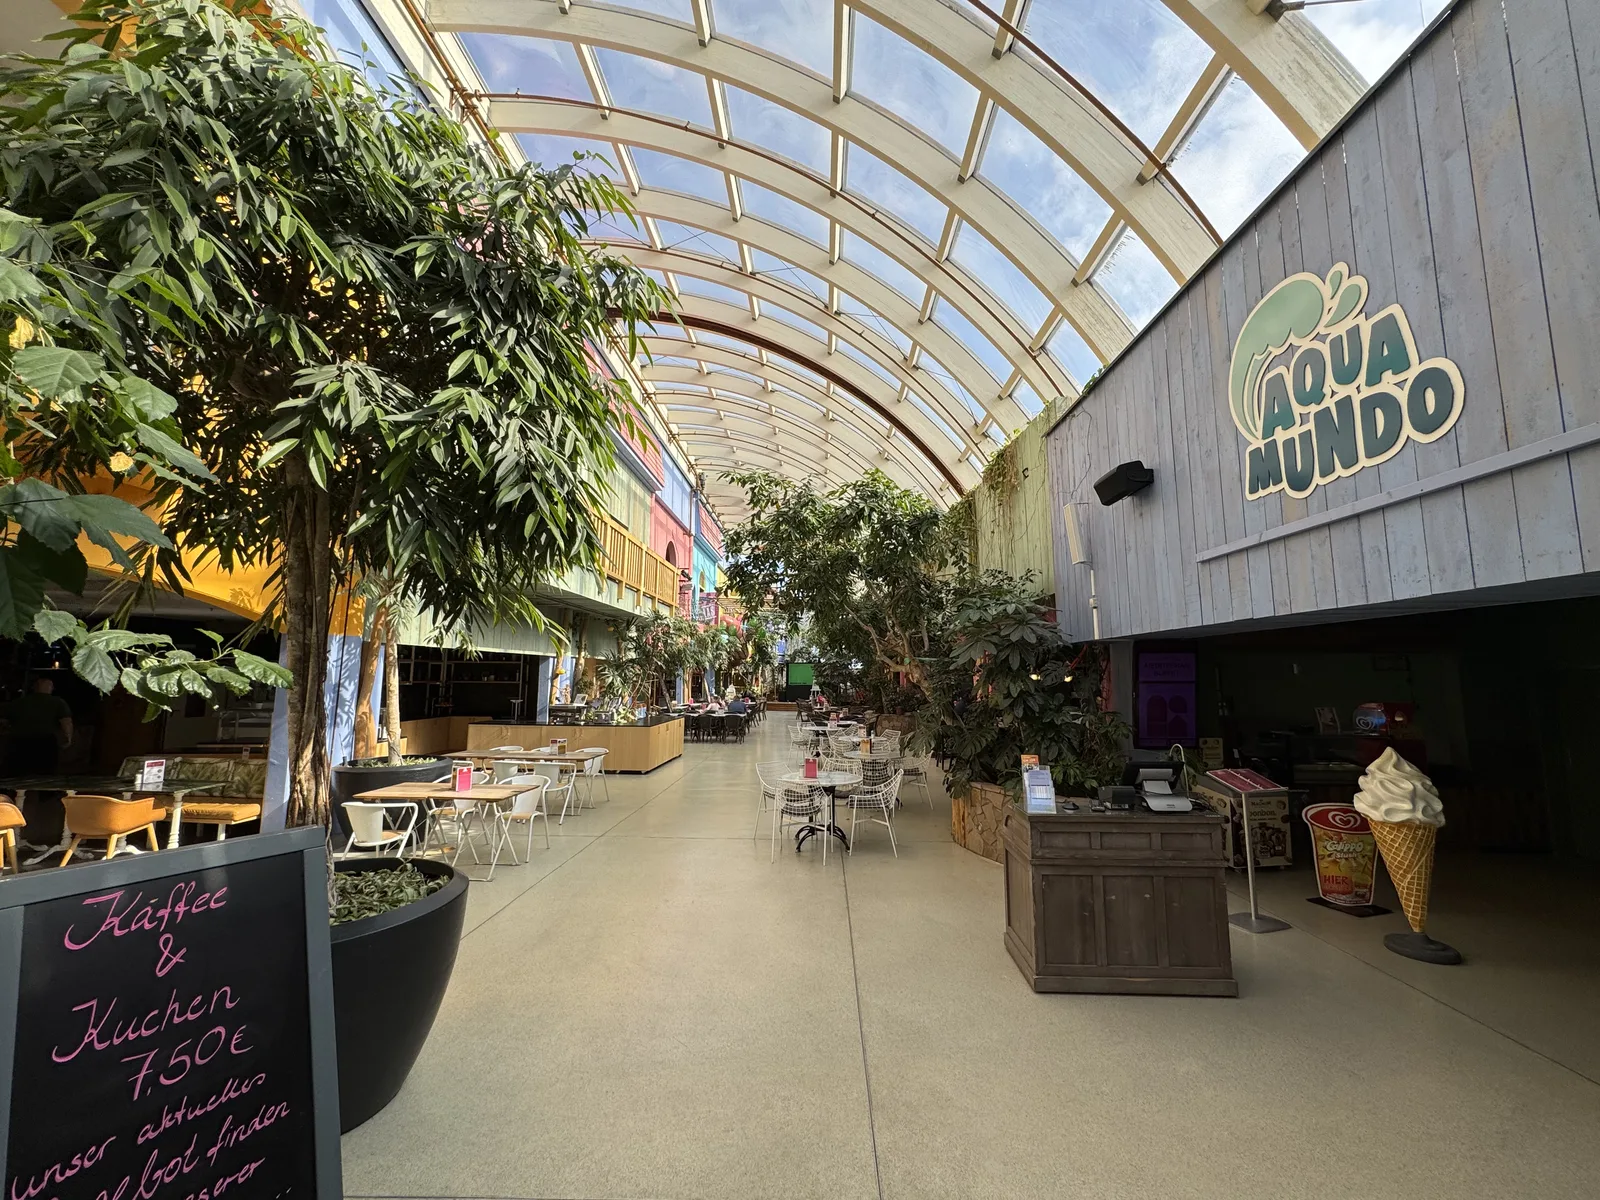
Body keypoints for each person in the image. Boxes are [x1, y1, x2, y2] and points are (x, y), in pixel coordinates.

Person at [3, 677, 73, 774]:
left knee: (19, 772)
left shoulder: (18, 702)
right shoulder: (58, 702)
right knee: (44, 772)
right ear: (51, 688)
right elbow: (66, 722)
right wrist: (68, 738)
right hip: (44, 741)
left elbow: (4, 722)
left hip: (19, 741)